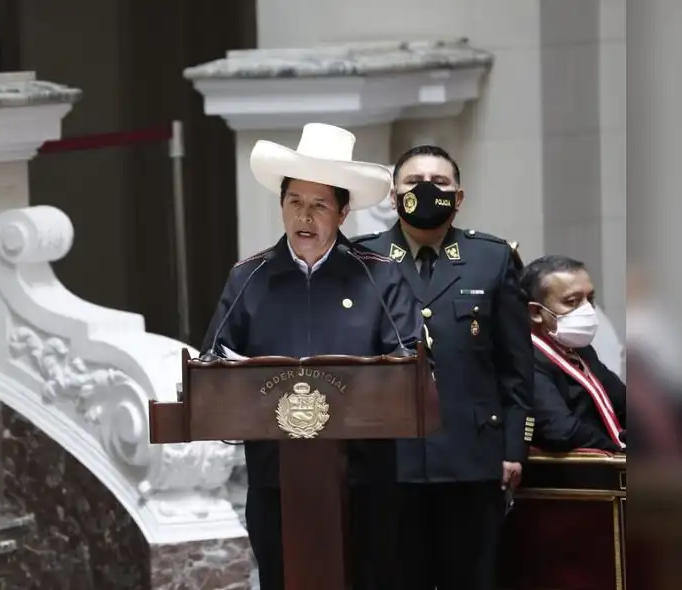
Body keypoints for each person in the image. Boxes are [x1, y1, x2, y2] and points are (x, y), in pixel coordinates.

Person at [200, 123, 423, 590]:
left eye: (319, 204)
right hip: (276, 480)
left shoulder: (380, 279)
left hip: (364, 480)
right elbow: (212, 363)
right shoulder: (249, 277)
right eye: (294, 202)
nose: (305, 216)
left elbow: (407, 369)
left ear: (342, 213)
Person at [350, 144, 534, 590]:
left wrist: (514, 447)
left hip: (472, 456)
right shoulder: (360, 260)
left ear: (459, 196)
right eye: (414, 182)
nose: (427, 191)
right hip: (387, 461)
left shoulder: (492, 259)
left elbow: (515, 366)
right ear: (393, 197)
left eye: (440, 183)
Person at [519, 255, 627, 453]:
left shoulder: (580, 350)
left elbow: (624, 402)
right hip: (579, 474)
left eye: (590, 299)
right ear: (535, 312)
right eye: (572, 301)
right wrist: (618, 452)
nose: (587, 309)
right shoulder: (524, 357)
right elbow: (560, 431)